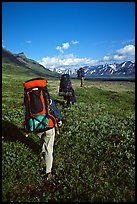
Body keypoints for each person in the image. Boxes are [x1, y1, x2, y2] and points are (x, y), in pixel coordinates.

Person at [37, 95, 62, 180]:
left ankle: (42, 157)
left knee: (42, 140)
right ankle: (48, 172)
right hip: (48, 126)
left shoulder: (29, 96)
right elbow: (54, 110)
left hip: (36, 125)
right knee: (49, 148)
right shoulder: (47, 96)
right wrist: (59, 120)